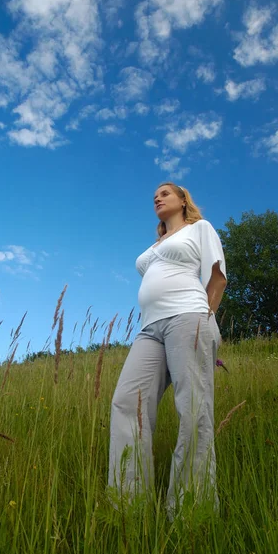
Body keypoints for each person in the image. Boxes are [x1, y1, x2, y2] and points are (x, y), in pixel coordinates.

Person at [108, 182, 227, 517]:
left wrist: (205, 316)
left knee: (192, 409)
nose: (157, 198)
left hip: (188, 317)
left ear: (182, 199)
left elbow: (217, 277)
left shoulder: (199, 229)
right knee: (126, 403)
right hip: (149, 328)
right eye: (154, 197)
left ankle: (191, 511)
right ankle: (128, 506)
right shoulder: (155, 245)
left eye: (165, 193)